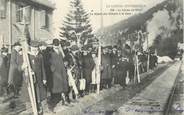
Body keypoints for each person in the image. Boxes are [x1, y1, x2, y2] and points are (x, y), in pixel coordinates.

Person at [48, 39, 69, 110]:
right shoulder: (50, 52)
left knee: (63, 86)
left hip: (62, 71)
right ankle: (52, 104)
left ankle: (64, 100)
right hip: (55, 73)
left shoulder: (60, 52)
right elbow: (49, 62)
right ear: (53, 45)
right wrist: (53, 69)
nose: (56, 46)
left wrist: (65, 63)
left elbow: (63, 59)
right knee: (55, 88)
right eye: (55, 45)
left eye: (57, 45)